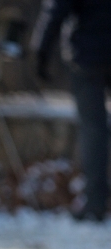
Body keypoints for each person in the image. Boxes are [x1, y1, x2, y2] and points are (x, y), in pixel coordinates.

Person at [32, 0, 111, 222]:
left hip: (88, 54)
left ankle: (95, 203)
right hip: (88, 54)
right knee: (94, 130)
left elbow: (56, 9)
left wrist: (41, 50)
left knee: (93, 130)